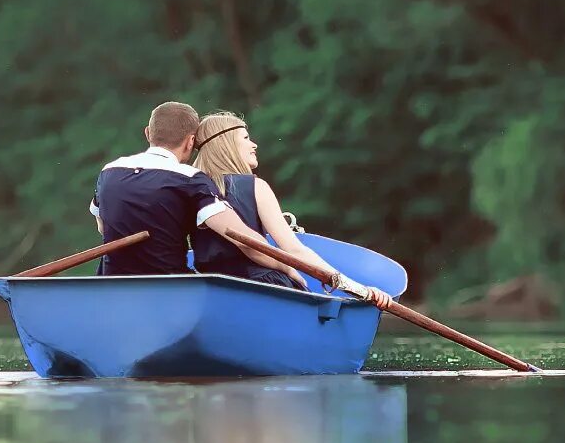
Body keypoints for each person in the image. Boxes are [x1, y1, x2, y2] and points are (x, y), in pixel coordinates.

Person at [88, 102, 387, 306]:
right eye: (247, 137)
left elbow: (105, 227)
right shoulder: (190, 179)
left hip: (112, 287)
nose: (254, 143)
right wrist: (291, 269)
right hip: (175, 294)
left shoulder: (109, 170)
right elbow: (242, 239)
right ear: (191, 141)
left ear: (147, 134)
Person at [187, 111, 390, 307]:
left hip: (209, 290)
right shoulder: (256, 186)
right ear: (227, 143)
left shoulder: (190, 190)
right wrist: (358, 289)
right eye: (246, 137)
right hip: (265, 287)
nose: (254, 144)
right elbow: (293, 249)